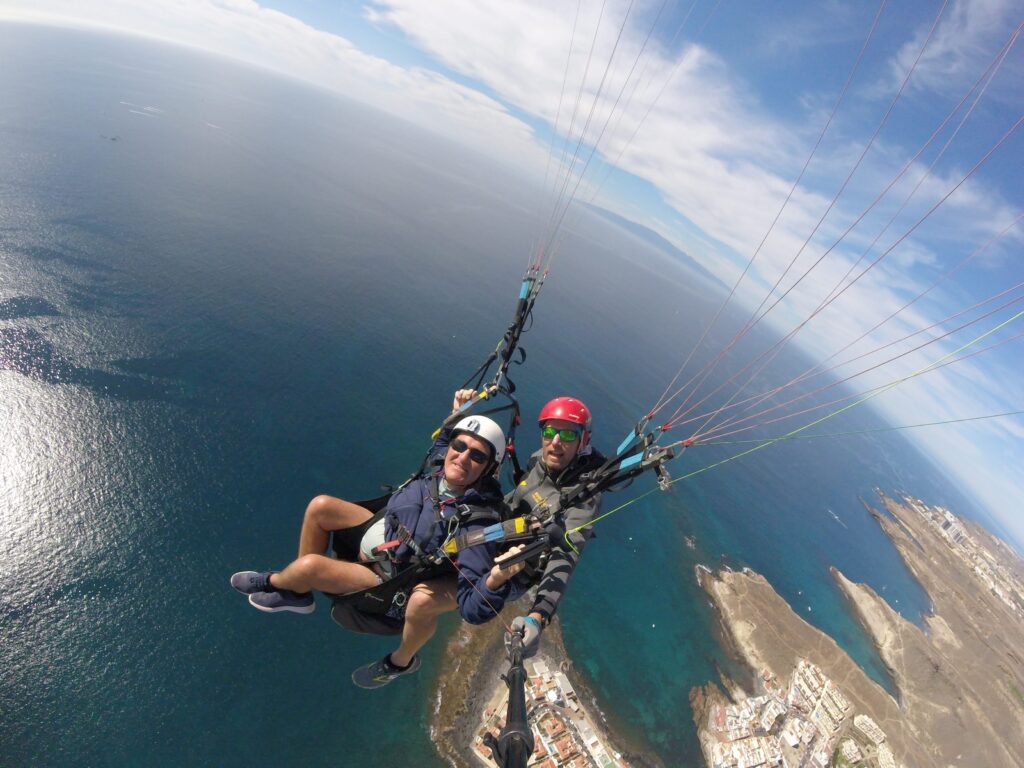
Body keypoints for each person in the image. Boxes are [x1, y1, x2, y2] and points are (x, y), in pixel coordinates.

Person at [230, 413, 524, 688]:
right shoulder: (440, 466)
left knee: (309, 567)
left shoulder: (475, 521)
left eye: (477, 456)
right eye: (460, 445)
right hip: (383, 534)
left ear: (489, 468)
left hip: (390, 576)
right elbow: (444, 441)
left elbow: (472, 608)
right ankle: (298, 595)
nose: (462, 457)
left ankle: (280, 582)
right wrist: (458, 412)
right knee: (320, 506)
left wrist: (495, 580)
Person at [502, 395, 605, 658]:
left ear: (584, 441)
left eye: (568, 435)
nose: (556, 442)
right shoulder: (539, 459)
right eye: (549, 432)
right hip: (500, 531)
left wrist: (538, 616)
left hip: (516, 568)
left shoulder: (585, 497)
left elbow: (567, 553)